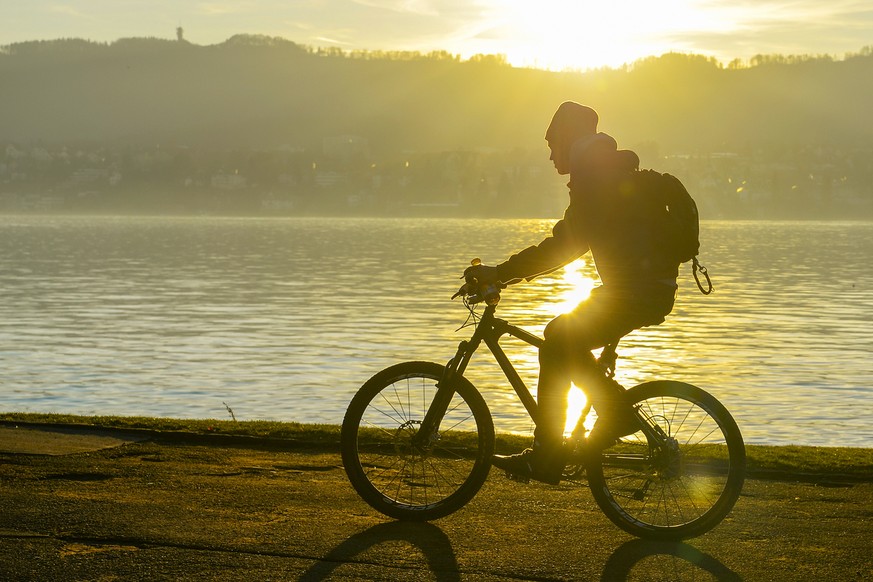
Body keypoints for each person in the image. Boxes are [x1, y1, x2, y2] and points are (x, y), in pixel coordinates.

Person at [464, 101, 681, 484]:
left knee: (558, 338)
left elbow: (565, 246)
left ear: (567, 138)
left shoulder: (596, 177)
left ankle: (564, 445)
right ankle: (569, 439)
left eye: (551, 144)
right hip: (638, 288)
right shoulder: (603, 171)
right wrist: (509, 274)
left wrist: (501, 272)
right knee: (561, 340)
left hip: (636, 291)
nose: (549, 155)